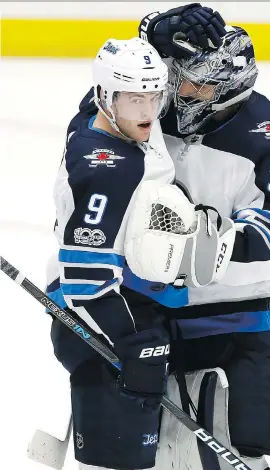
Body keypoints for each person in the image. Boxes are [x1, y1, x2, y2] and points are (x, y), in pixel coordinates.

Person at [122, 3, 270, 470]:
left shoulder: (265, 136)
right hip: (149, 305)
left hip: (243, 316)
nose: (176, 88)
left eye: (193, 83)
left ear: (225, 92)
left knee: (240, 434)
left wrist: (209, 253)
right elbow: (99, 107)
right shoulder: (153, 107)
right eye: (175, 74)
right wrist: (150, 36)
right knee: (128, 428)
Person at [46, 36, 176, 470]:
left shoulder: (101, 114)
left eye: (154, 96)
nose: (148, 111)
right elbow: (84, 279)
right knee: (119, 461)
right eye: (134, 98)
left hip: (126, 297)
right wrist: (131, 341)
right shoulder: (109, 170)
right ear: (107, 96)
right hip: (93, 314)